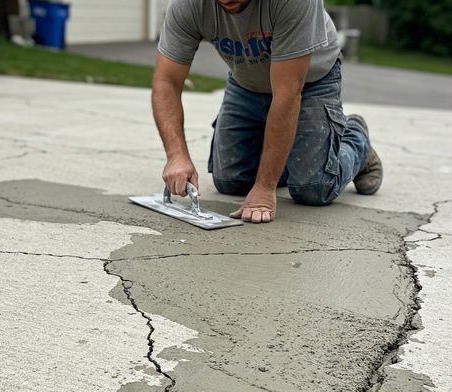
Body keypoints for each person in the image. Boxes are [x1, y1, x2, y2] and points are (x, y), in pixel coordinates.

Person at [152, 0, 383, 224]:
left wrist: (265, 187)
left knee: (313, 188)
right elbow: (166, 82)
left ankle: (355, 138)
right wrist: (176, 156)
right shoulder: (187, 4)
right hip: (247, 80)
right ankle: (297, 155)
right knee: (231, 181)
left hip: (310, 81)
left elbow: (287, 93)